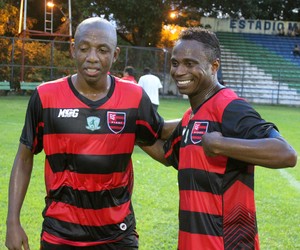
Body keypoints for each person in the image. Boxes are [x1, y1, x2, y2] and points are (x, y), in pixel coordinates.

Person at [5, 17, 178, 250]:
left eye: (102, 50)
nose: (92, 57)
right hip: (61, 233)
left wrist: (203, 119)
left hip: (117, 234)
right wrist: (12, 222)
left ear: (115, 55)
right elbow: (24, 158)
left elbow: (159, 136)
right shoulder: (45, 97)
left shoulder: (133, 97)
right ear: (73, 49)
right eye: (84, 48)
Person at [141, 27, 297, 250]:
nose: (179, 71)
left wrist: (220, 144)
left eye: (190, 63)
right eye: (175, 63)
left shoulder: (230, 107)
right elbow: (167, 154)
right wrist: (134, 133)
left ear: (214, 66)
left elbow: (286, 154)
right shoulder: (191, 116)